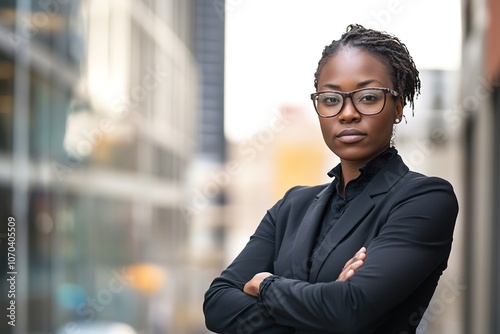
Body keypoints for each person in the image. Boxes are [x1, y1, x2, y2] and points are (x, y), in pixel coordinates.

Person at [203, 24, 459, 334]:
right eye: (330, 99)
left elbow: (350, 308)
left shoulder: (425, 199)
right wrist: (322, 306)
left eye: (367, 97)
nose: (347, 113)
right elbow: (217, 306)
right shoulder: (291, 207)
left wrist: (266, 285)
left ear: (398, 106)